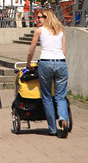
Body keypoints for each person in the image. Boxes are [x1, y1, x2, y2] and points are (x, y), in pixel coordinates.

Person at [26, 9, 69, 138]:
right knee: (61, 96)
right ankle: (62, 118)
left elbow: (31, 50)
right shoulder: (60, 30)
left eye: (40, 17)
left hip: (46, 63)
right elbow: (64, 50)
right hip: (61, 62)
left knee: (46, 96)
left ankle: (52, 128)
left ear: (47, 17)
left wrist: (28, 64)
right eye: (37, 17)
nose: (38, 19)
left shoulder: (39, 31)